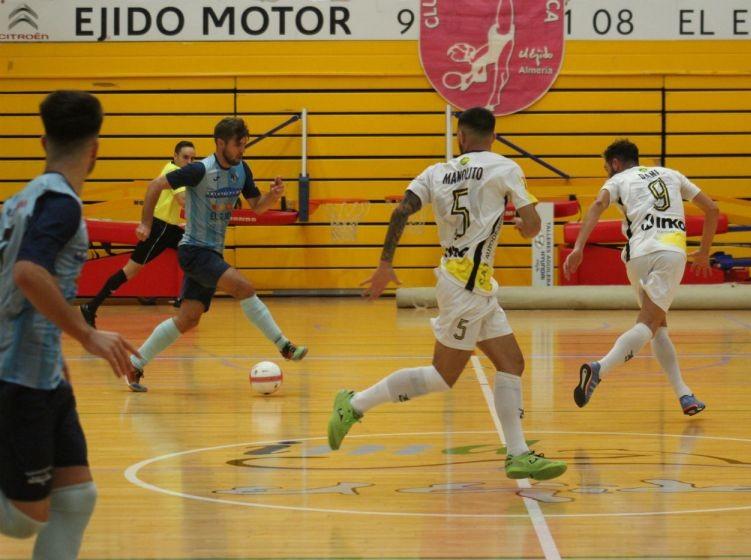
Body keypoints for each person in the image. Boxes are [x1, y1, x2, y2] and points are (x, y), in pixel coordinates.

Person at [327, 107, 567, 481]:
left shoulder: (435, 172)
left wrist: (385, 263)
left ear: (460, 136)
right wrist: (522, 224)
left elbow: (399, 213)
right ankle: (354, 404)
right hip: (465, 286)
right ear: (494, 136)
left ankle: (518, 454)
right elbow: (534, 227)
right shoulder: (505, 167)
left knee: (512, 363)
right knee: (442, 376)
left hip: (473, 283)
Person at [0, 91, 139, 559]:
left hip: (41, 372)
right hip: (18, 376)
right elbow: (27, 273)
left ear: (43, 141)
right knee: (23, 518)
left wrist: (56, 352)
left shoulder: (21, 200)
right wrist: (87, 334)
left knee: (77, 499)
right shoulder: (61, 203)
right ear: (96, 148)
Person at [125, 117, 306, 392]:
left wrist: (272, 195)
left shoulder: (241, 169)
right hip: (194, 250)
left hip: (211, 254)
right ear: (220, 143)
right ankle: (284, 346)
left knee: (188, 319)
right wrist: (146, 224)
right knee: (244, 287)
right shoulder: (199, 170)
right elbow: (154, 186)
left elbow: (257, 207)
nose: (242, 150)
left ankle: (134, 364)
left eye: (245, 144)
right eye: (238, 145)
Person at [563, 138, 720, 416]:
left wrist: (578, 248)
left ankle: (684, 394)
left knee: (658, 326)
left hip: (636, 255)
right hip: (669, 251)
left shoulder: (619, 180)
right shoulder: (671, 174)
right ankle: (600, 368)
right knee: (649, 323)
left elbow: (598, 204)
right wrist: (705, 251)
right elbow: (712, 209)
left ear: (615, 163)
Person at [80, 141, 197, 327]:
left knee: (195, 254)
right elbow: (183, 200)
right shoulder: (174, 171)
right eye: (185, 157)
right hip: (160, 229)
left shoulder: (179, 173)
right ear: (175, 156)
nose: (189, 161)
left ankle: (184, 299)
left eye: (193, 159)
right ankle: (91, 307)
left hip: (171, 228)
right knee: (131, 270)